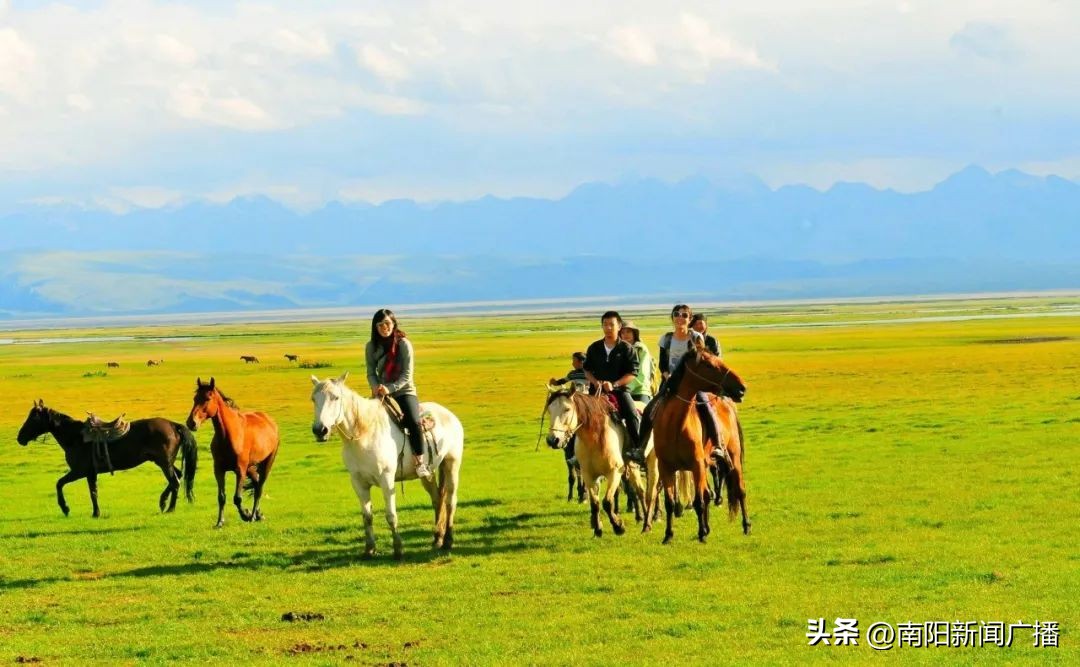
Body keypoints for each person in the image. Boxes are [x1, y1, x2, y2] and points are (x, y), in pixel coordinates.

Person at [365, 308, 432, 480]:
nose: (384, 327)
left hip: (404, 391)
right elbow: (371, 372)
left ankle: (420, 462)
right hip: (382, 392)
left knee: (414, 421)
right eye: (380, 325)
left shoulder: (403, 344)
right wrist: (375, 387)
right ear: (375, 327)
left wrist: (391, 388)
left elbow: (407, 375)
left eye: (387, 323)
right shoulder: (371, 347)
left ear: (394, 324)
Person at [582, 310, 641, 452]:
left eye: (611, 324)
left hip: (620, 391)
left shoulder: (626, 348)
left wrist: (614, 384)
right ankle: (574, 454)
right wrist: (595, 382)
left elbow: (632, 373)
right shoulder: (594, 348)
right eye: (605, 324)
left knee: (632, 414)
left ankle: (637, 449)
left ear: (619, 326)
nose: (608, 328)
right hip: (596, 392)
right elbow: (587, 369)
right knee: (578, 415)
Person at [619, 320, 653, 404]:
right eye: (623, 332)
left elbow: (642, 374)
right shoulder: (618, 350)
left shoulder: (641, 349)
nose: (625, 334)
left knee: (643, 411)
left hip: (640, 390)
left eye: (628, 331)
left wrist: (627, 387)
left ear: (634, 333)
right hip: (621, 390)